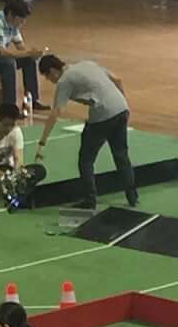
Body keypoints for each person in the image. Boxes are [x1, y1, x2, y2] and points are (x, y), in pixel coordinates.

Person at [43, 51, 138, 209]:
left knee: (86, 161)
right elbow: (117, 79)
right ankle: (132, 196)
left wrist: (42, 141)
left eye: (47, 77)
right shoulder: (87, 63)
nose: (49, 81)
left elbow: (56, 111)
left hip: (103, 115)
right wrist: (122, 104)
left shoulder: (64, 80)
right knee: (121, 155)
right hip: (121, 108)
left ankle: (90, 200)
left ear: (53, 71)